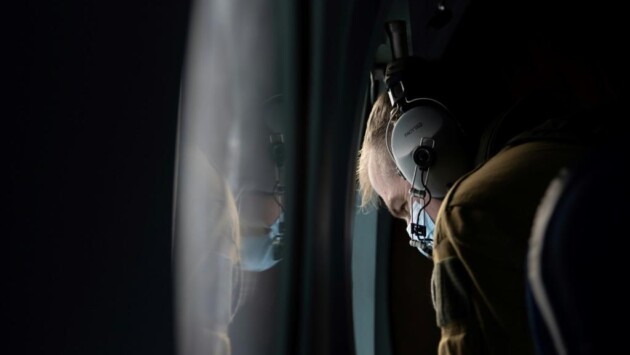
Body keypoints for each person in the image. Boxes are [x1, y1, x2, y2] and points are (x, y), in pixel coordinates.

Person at [357, 3, 619, 353]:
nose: (412, 231)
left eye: (404, 205)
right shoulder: (576, 139)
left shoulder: (469, 216)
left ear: (429, 159)